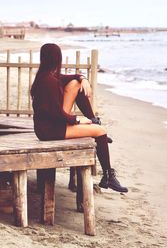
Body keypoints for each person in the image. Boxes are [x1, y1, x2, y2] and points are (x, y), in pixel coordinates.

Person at [30, 43, 128, 193]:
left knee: (76, 84)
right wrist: (77, 120)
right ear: (57, 58)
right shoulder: (49, 82)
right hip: (49, 130)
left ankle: (93, 123)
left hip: (49, 126)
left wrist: (83, 79)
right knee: (100, 131)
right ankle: (108, 176)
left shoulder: (47, 76)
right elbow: (56, 113)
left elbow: (71, 78)